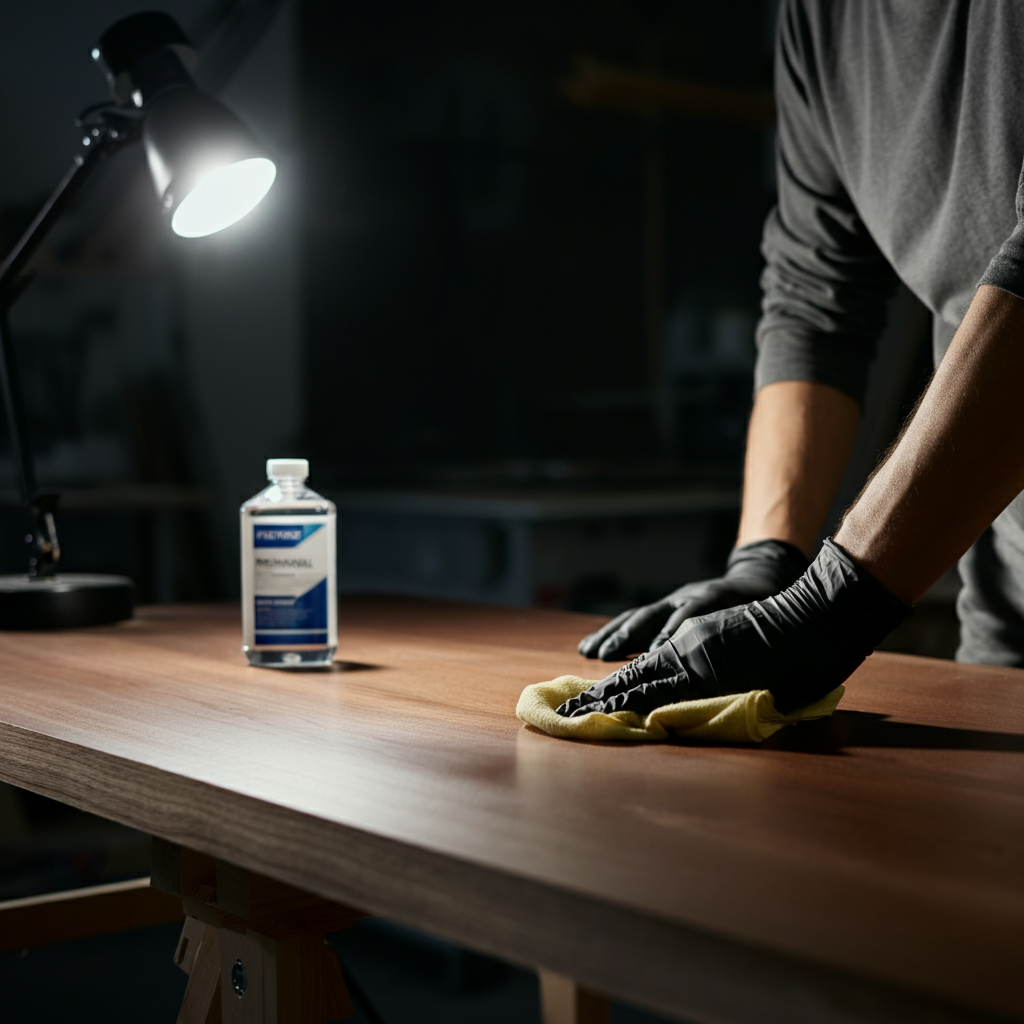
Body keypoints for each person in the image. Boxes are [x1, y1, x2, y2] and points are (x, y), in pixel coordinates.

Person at [564, 0, 1024, 717]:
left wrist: (830, 606)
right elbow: (816, 299)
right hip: (1011, 619)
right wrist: (765, 563)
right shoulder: (820, 18)